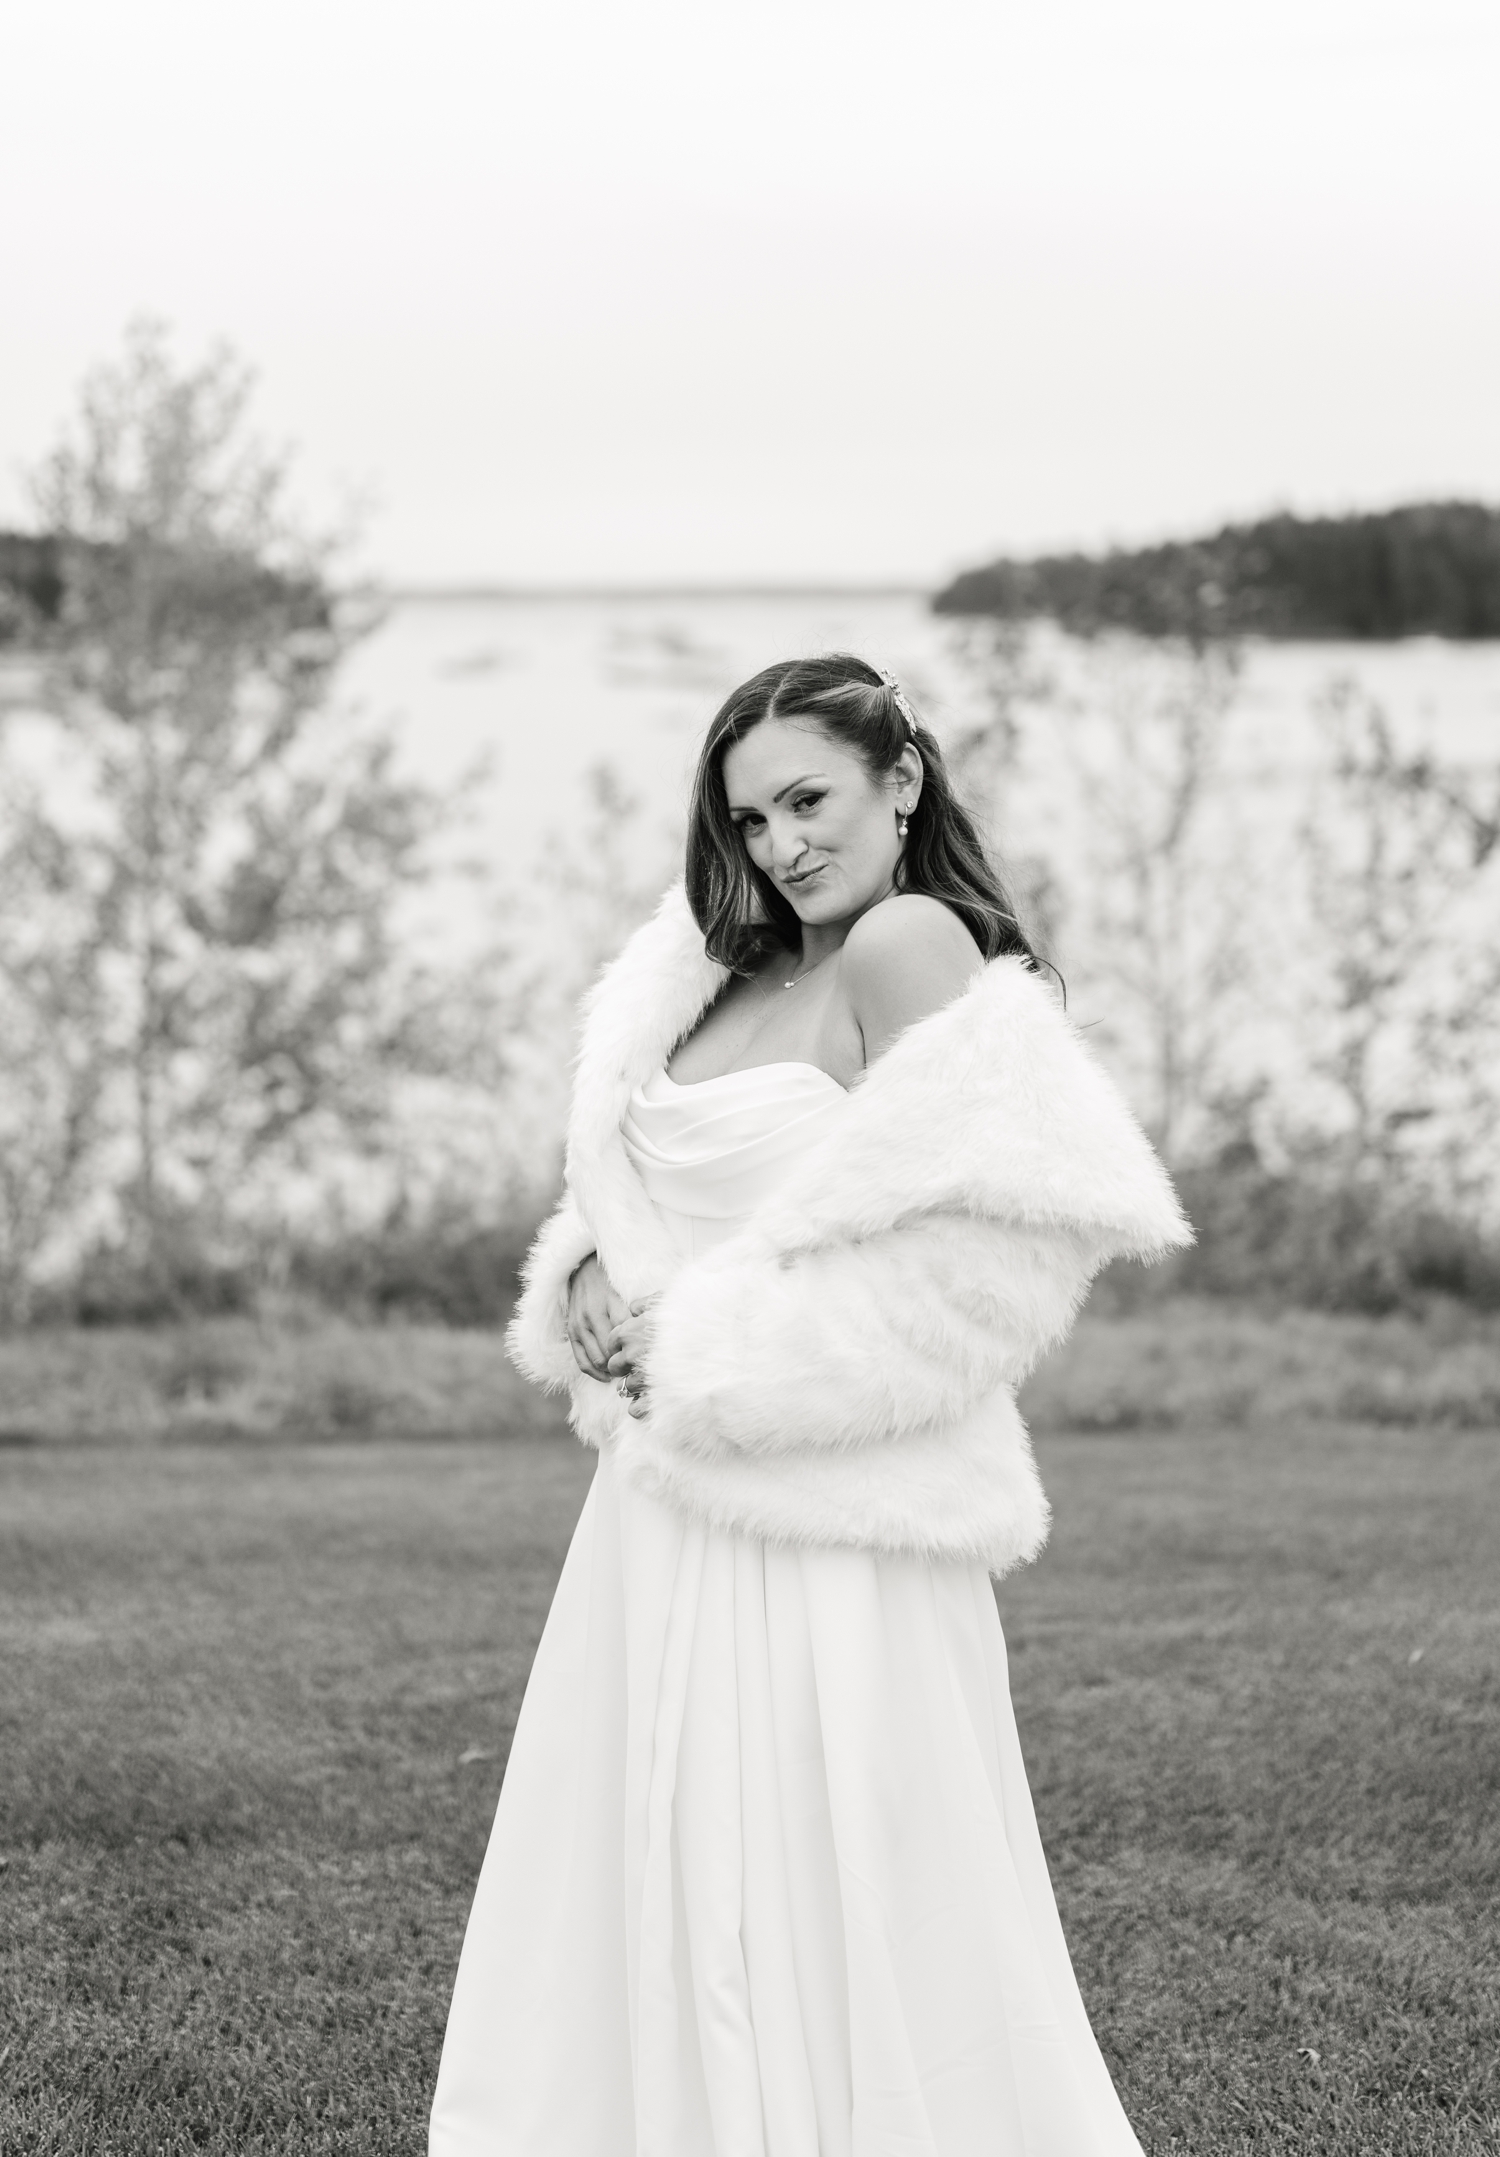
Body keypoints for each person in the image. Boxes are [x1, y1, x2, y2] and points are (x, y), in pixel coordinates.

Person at [430, 653, 1190, 2156]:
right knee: (658, 1850)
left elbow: (979, 1260)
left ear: (901, 782)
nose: (781, 845)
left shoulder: (905, 944)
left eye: (808, 800)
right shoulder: (724, 963)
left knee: (831, 1862)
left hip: (828, 1500)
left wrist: (714, 1353)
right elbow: (672, 1192)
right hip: (657, 1502)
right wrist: (585, 1271)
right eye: (751, 818)